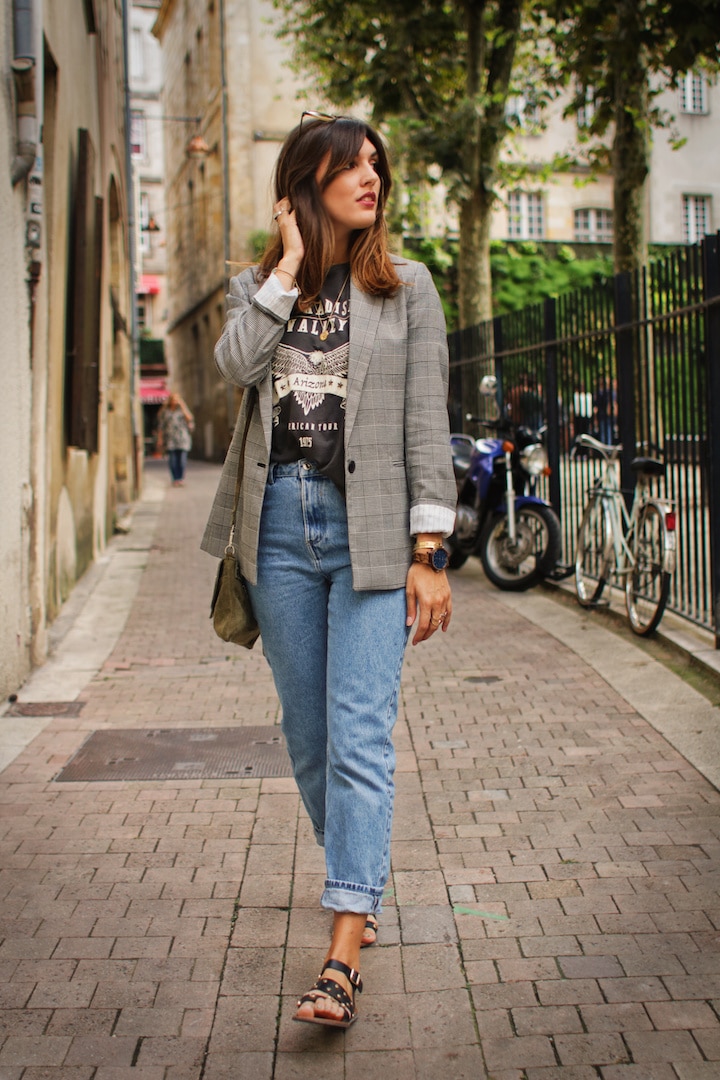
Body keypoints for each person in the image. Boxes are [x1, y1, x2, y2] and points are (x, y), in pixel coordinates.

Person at [201, 112, 456, 1028]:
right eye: (351, 164)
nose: (370, 176)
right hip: (276, 530)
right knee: (308, 738)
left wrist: (431, 554)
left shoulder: (407, 288)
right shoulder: (258, 288)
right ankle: (361, 872)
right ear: (306, 183)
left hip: (372, 535)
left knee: (358, 737)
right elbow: (234, 367)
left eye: (377, 163)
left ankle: (343, 946)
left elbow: (427, 423)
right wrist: (287, 267)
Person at [156, 392, 194, 486]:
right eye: (174, 399)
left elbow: (189, 419)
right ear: (170, 401)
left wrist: (183, 406)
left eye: (177, 399)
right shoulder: (165, 412)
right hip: (170, 439)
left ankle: (180, 479)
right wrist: (160, 439)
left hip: (182, 438)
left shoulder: (182, 410)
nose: (175, 401)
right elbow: (161, 426)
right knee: (172, 460)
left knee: (182, 460)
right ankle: (175, 479)